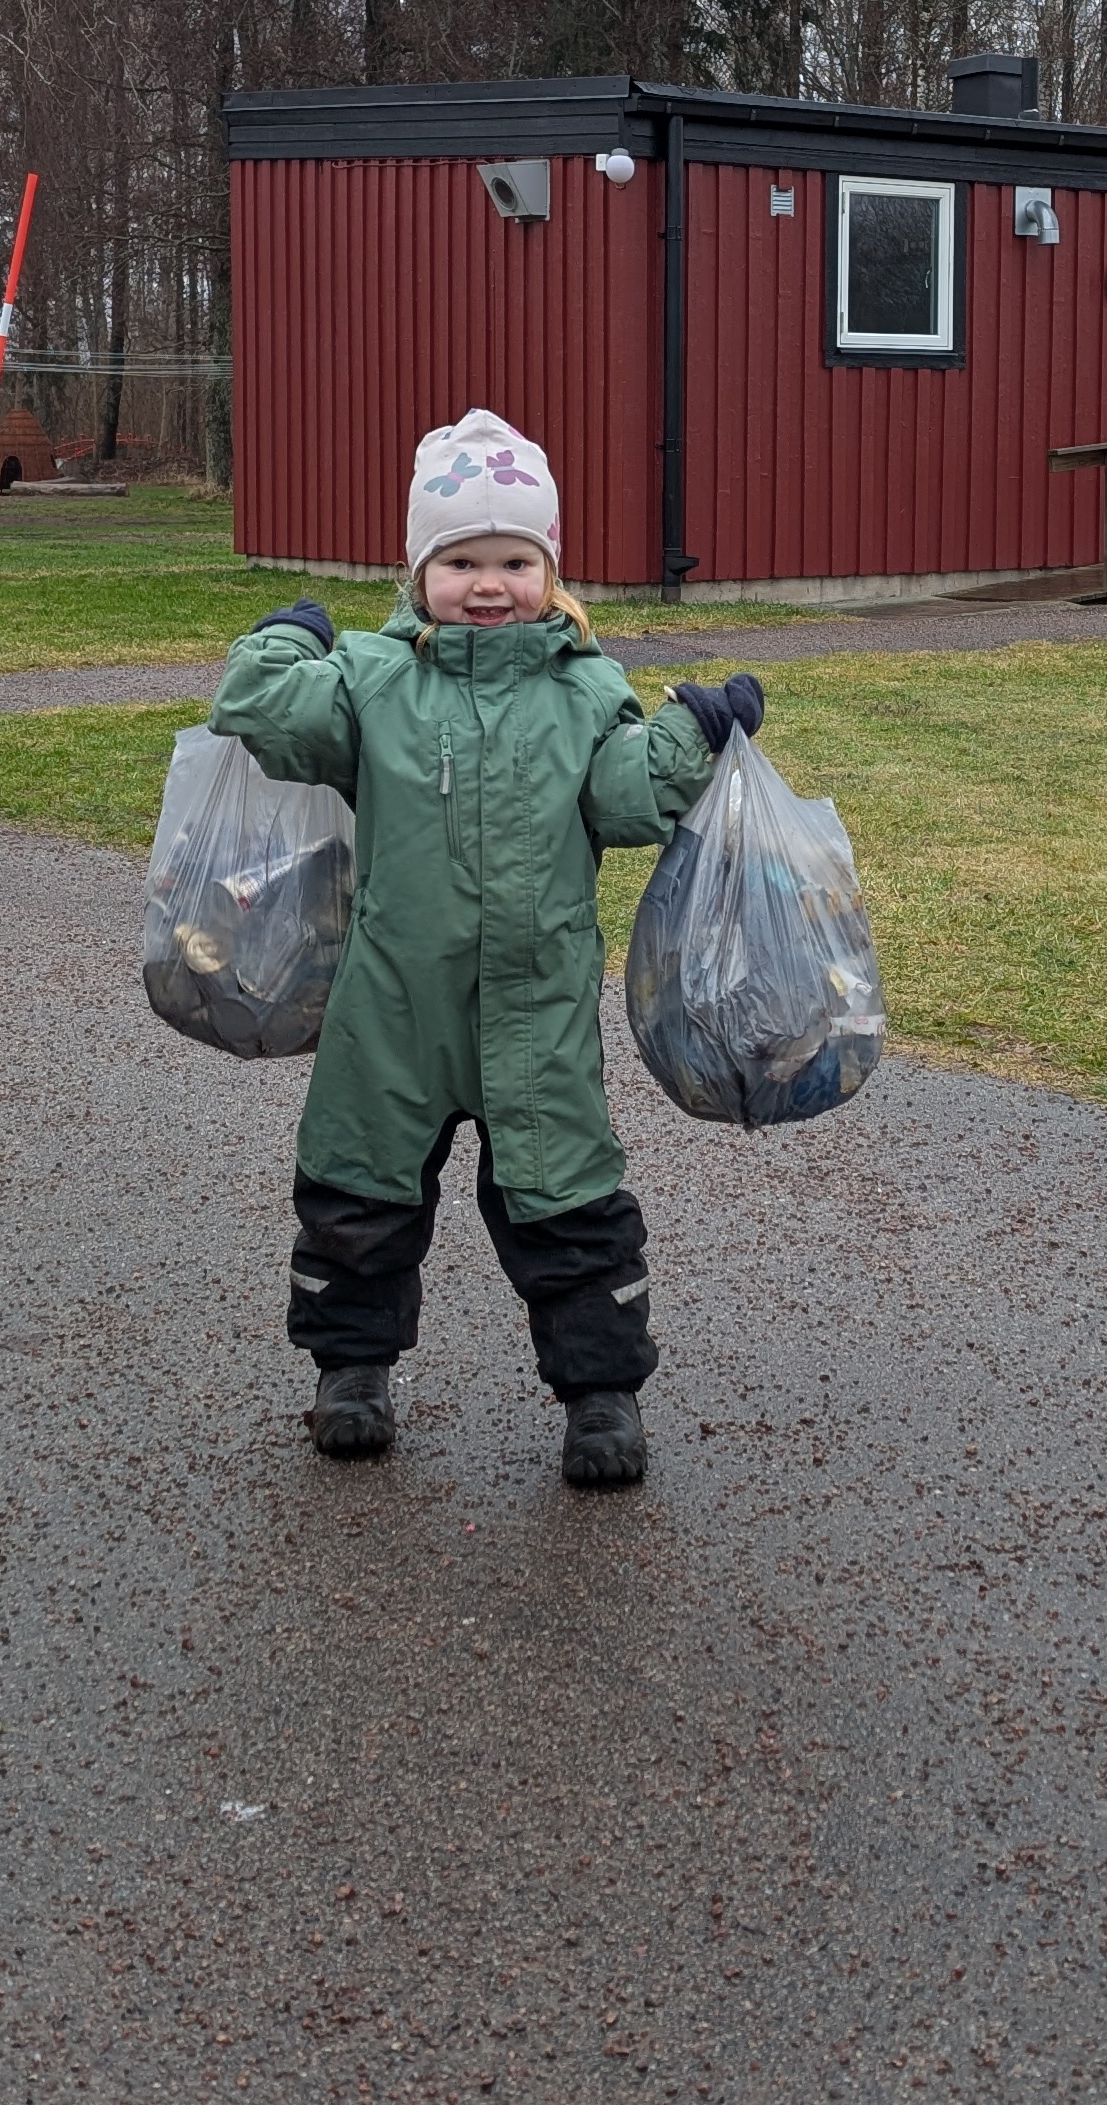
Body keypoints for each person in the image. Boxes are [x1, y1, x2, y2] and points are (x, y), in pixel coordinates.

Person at [215, 406, 764, 1489]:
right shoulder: (371, 684)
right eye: (459, 559)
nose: (487, 582)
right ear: (419, 571)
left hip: (535, 1010)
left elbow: (628, 799)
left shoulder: (582, 690)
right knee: (359, 1198)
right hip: (392, 1011)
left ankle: (601, 1395)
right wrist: (290, 639)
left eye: (514, 559)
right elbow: (257, 705)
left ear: (551, 573)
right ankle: (351, 1374)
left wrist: (689, 734)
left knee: (568, 1209)